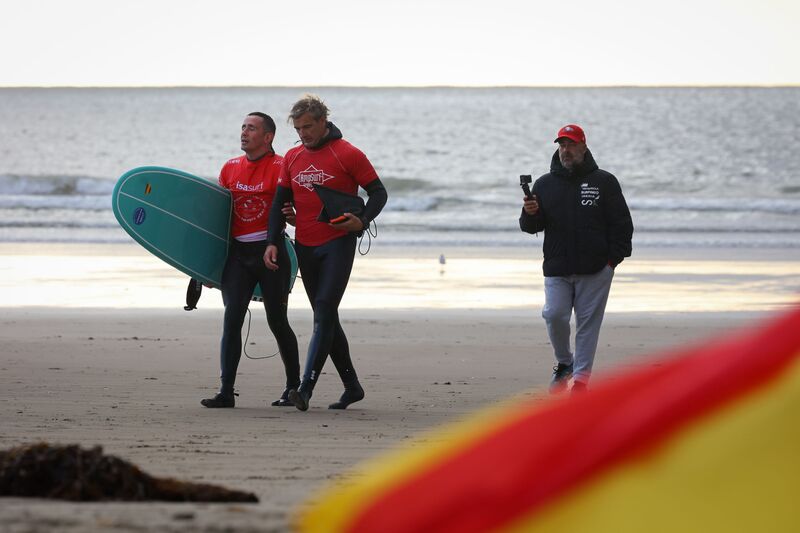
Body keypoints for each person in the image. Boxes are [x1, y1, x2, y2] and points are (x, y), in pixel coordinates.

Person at [264, 94, 388, 411]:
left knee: (322, 310)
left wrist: (361, 220)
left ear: (323, 121)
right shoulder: (291, 157)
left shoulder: (347, 153)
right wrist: (272, 241)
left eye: (308, 126)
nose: (303, 133)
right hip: (305, 244)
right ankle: (352, 386)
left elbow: (378, 192)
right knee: (326, 316)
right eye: (298, 128)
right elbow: (280, 203)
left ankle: (305, 388)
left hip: (337, 243)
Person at [519, 124, 633, 394]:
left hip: (596, 269)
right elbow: (531, 226)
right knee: (554, 314)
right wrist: (530, 212)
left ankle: (581, 380)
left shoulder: (604, 181)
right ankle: (564, 362)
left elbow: (622, 224)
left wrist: (612, 262)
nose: (565, 150)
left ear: (583, 146)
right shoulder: (544, 184)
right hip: (557, 266)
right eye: (561, 145)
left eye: (570, 144)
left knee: (587, 326)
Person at [201, 112, 300, 408]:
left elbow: (298, 210)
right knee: (232, 320)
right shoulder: (230, 168)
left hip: (271, 253)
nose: (244, 132)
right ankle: (226, 392)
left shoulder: (283, 166)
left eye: (252, 128)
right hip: (238, 256)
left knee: (277, 321)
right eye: (243, 126)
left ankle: (293, 388)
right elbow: (219, 218)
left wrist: (295, 217)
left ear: (268, 137)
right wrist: (200, 267)